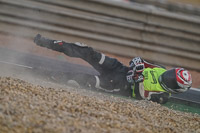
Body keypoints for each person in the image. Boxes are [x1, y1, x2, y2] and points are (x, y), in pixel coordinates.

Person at [33, 34, 192, 104]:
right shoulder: (161, 69)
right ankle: (46, 42)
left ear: (176, 88)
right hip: (119, 68)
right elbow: (139, 61)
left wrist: (138, 79)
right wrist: (136, 64)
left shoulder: (163, 96)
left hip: (116, 85)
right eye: (172, 73)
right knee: (87, 51)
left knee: (79, 79)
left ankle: (39, 73)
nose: (168, 76)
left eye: (172, 80)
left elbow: (142, 97)